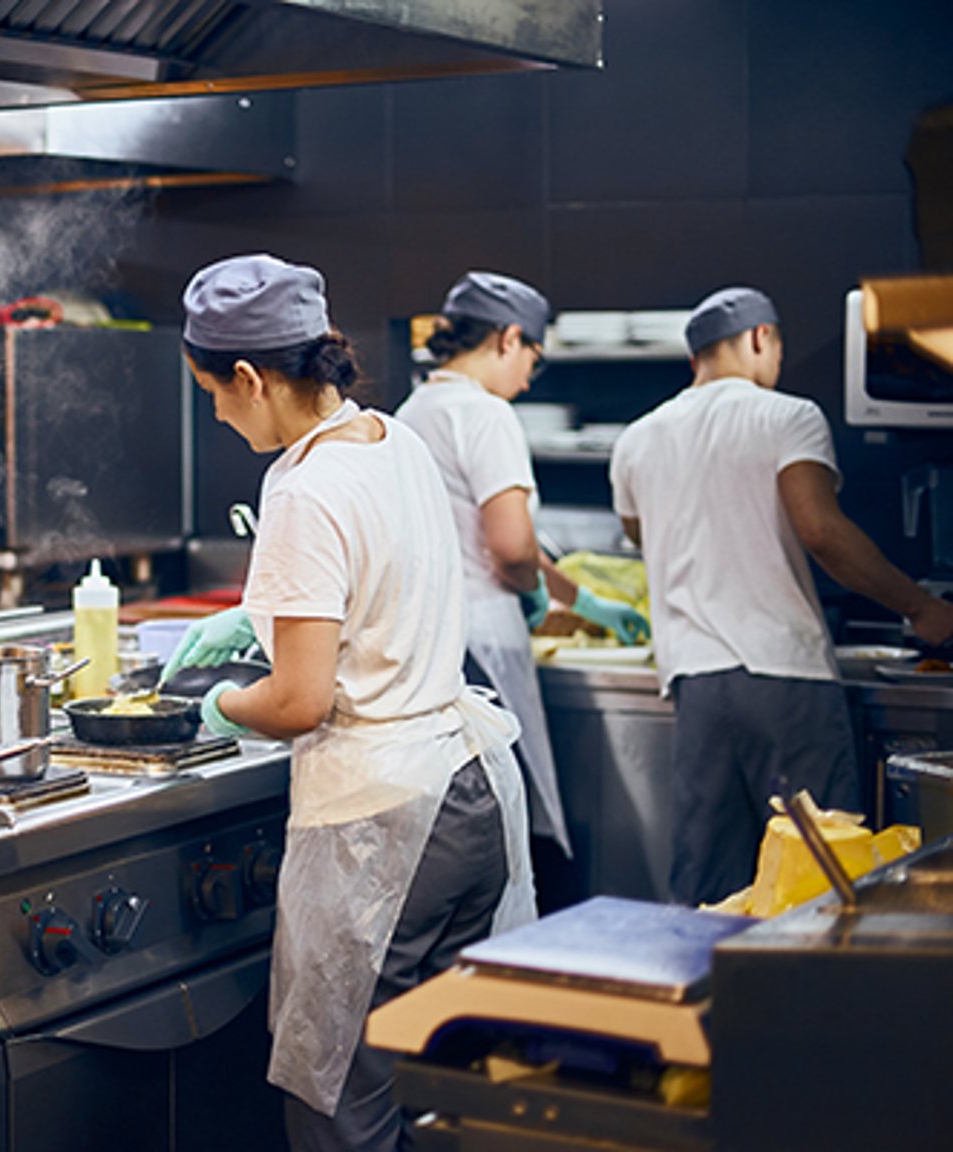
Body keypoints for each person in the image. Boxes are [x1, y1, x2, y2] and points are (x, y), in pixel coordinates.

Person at [160, 254, 537, 1152]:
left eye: (213, 391)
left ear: (250, 377)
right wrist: (251, 620)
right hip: (470, 790)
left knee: (342, 1104)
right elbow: (374, 589)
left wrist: (222, 705)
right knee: (440, 1091)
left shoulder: (301, 488)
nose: (215, 412)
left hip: (385, 824)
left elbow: (298, 700)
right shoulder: (390, 438)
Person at [610, 286, 953, 906]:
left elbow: (640, 533)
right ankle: (817, 999)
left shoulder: (637, 438)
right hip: (784, 675)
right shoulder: (786, 415)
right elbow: (821, 531)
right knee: (822, 870)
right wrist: (922, 608)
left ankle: (700, 998)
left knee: (710, 886)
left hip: (696, 681)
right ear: (760, 338)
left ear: (696, 359)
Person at [396, 271, 650, 864]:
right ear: (509, 338)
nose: (531, 374)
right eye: (533, 355)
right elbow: (510, 549)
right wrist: (531, 593)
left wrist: (578, 598)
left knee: (454, 817)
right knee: (506, 818)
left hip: (428, 639)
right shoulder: (485, 415)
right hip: (483, 639)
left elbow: (487, 536)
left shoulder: (412, 411)